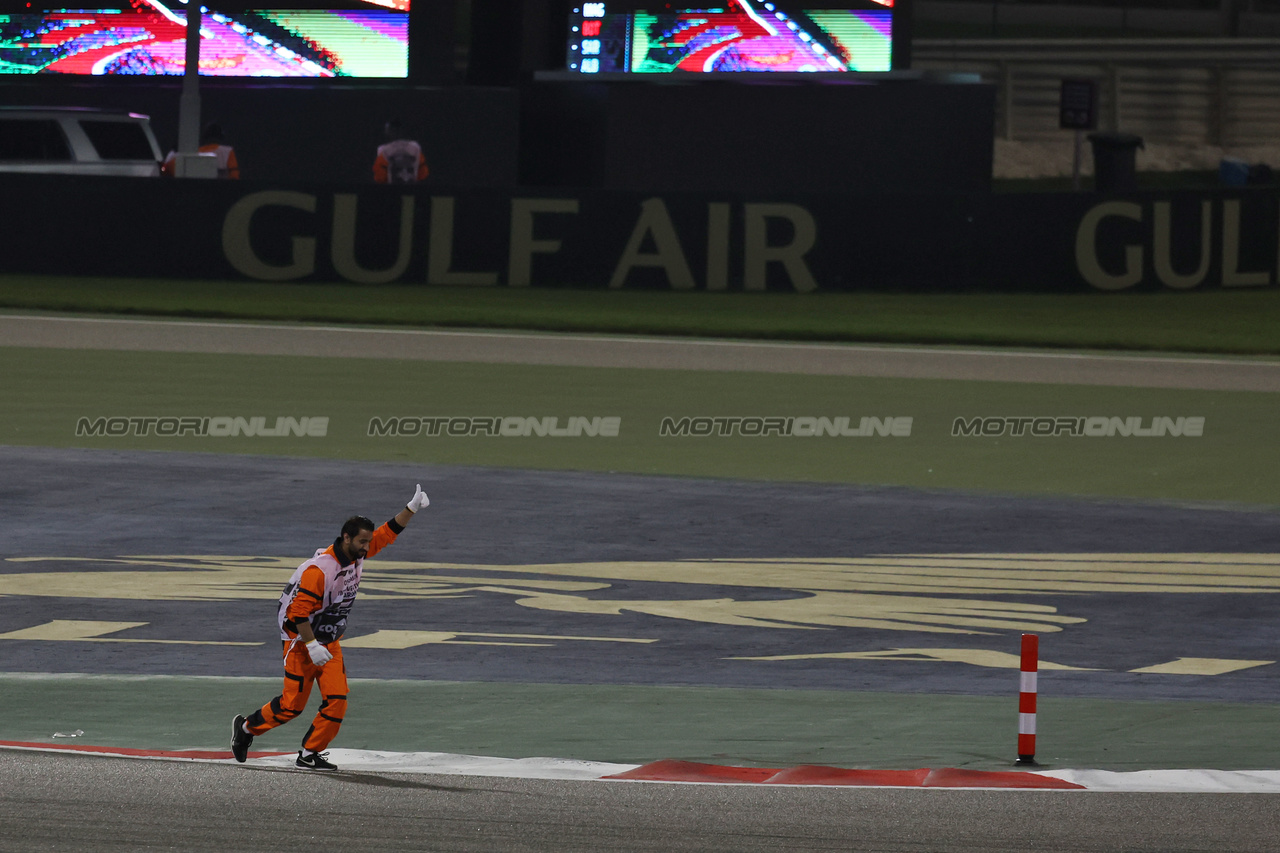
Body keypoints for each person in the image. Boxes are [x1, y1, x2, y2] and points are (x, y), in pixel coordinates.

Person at [230, 483, 431, 771]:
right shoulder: (320, 571)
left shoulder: (355, 555)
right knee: (292, 706)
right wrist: (311, 646)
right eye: (362, 541)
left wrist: (410, 509)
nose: (367, 547)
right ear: (346, 538)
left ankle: (309, 753)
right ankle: (246, 729)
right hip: (301, 641)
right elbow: (297, 613)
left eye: (367, 542)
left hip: (329, 639)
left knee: (337, 700)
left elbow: (387, 534)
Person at [160, 122, 240, 179]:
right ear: (221, 137)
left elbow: (169, 167)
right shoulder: (228, 152)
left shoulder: (195, 152)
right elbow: (234, 176)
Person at [373, 119, 428, 184]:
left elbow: (380, 175)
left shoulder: (383, 149)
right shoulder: (415, 147)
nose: (386, 133)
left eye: (388, 130)